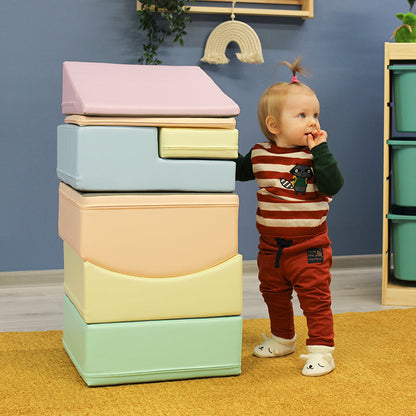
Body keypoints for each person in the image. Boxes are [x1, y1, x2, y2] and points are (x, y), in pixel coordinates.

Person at [236, 58, 344, 376]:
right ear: (274, 125)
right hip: (271, 246)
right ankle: (283, 337)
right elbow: (235, 169)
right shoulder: (259, 154)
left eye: (315, 115)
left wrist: (322, 150)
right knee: (273, 292)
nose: (312, 122)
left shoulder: (315, 156)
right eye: (302, 116)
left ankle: (323, 350)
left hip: (310, 244)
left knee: (314, 296)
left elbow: (333, 184)